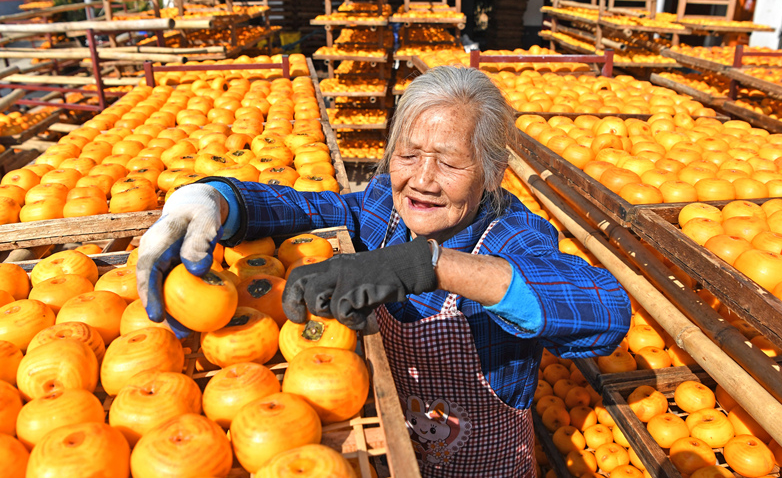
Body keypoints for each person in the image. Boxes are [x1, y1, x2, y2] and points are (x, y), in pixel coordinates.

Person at [136, 65, 631, 477]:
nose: (422, 179)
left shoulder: (513, 234)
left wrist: (434, 265)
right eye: (408, 154)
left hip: (482, 464)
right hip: (390, 449)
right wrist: (220, 200)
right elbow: (303, 210)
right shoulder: (383, 209)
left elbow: (605, 309)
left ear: (492, 172)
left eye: (450, 163)